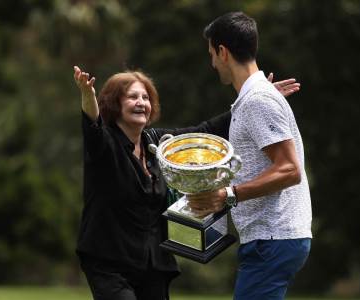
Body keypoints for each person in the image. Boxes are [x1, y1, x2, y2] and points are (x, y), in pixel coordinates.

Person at [73, 61, 300, 299]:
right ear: (114, 103)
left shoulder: (158, 142)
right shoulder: (105, 145)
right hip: (110, 261)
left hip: (153, 263)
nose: (141, 103)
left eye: (146, 97)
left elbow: (206, 130)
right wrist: (88, 96)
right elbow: (93, 127)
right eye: (133, 97)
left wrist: (254, 103)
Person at [187, 12, 312, 300]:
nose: (212, 64)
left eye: (212, 54)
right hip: (271, 239)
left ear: (223, 52)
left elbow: (290, 170)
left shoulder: (258, 100)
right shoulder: (253, 98)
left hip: (273, 238)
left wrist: (229, 194)